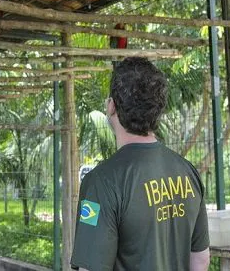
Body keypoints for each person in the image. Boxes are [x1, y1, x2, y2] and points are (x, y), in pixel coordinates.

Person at [71, 57, 210, 271]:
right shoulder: (188, 172)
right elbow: (200, 261)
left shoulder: (101, 182)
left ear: (111, 106)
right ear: (158, 109)